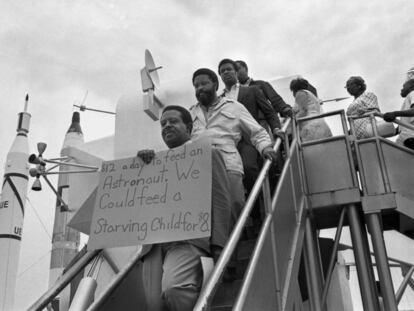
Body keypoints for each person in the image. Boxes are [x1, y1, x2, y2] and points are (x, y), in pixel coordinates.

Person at [136, 105, 232, 311]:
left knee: (175, 290)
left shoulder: (208, 155)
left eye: (173, 121)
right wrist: (143, 168)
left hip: (188, 239)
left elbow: (222, 200)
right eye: (163, 124)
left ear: (188, 127)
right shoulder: (153, 162)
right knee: (154, 305)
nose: (167, 126)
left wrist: (219, 245)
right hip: (153, 246)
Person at [190, 68, 278, 226]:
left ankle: (232, 247)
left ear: (215, 85)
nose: (200, 88)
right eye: (196, 86)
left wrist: (266, 147)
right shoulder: (191, 113)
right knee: (203, 215)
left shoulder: (234, 107)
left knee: (232, 208)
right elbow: (181, 144)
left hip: (228, 166)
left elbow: (257, 132)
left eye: (204, 83)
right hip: (198, 170)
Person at [218, 58, 280, 200]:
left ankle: (262, 200)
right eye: (222, 71)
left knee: (248, 167)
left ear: (235, 72)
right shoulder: (219, 100)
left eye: (229, 69)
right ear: (220, 76)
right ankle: (253, 209)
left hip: (250, 139)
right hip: (230, 142)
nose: (226, 72)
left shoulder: (252, 90)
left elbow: (269, 111)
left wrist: (276, 128)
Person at [290, 77, 332, 142]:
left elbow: (304, 111)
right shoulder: (311, 95)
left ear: (294, 89)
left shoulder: (300, 93)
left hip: (310, 126)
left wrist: (293, 121)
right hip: (319, 123)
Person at [383, 78, 414, 150]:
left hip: (410, 136)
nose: (401, 89)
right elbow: (404, 125)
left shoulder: (412, 93)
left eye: (403, 87)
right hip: (406, 135)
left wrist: (395, 113)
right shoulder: (408, 100)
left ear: (411, 87)